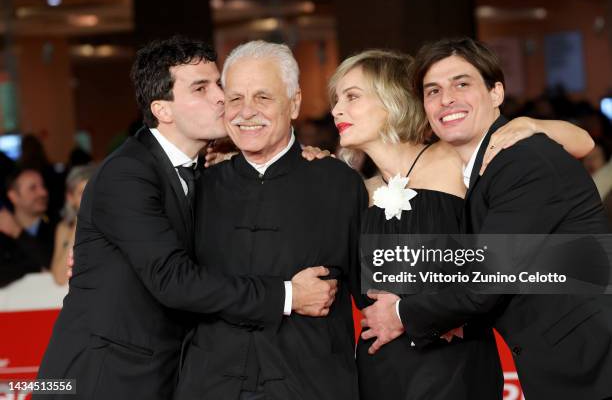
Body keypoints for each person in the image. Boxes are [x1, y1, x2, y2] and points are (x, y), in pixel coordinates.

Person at [35, 36, 336, 400]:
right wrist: (287, 295)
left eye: (218, 84)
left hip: (163, 374)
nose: (221, 97)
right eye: (201, 88)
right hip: (102, 378)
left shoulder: (201, 171)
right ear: (163, 109)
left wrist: (307, 162)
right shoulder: (127, 173)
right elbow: (174, 279)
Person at [328, 49, 594, 399]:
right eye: (336, 99)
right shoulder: (358, 192)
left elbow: (583, 143)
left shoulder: (453, 156)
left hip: (455, 366)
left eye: (351, 96)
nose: (337, 110)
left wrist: (532, 124)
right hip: (381, 364)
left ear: (391, 100)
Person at [175, 41, 367, 400]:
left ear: (294, 103)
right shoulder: (197, 189)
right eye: (235, 99)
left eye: (263, 98)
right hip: (212, 386)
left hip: (311, 386)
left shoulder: (339, 184)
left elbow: (375, 293)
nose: (246, 112)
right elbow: (175, 285)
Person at [49, 165, 96, 285]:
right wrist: (78, 227)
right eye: (82, 193)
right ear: (71, 198)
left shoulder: (117, 224)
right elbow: (60, 278)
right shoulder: (64, 229)